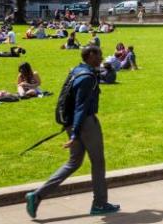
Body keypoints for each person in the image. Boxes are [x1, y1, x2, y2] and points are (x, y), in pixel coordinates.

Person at [26, 45, 120, 218]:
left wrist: (71, 127)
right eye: (99, 55)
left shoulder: (77, 70)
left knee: (74, 162)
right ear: (91, 55)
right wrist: (76, 132)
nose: (101, 58)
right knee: (98, 162)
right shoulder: (87, 78)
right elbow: (80, 106)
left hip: (72, 123)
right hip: (85, 123)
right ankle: (100, 204)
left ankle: (37, 195)